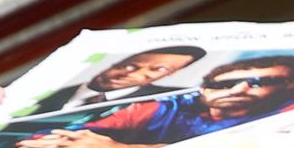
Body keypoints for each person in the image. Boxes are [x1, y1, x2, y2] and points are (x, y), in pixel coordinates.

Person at [8, 54, 294, 148]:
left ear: (292, 85)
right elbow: (47, 139)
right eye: (224, 84)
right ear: (203, 89)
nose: (240, 89)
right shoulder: (166, 106)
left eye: (259, 82)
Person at [32, 44, 206, 114]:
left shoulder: (175, 102)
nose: (131, 75)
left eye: (157, 69)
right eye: (129, 65)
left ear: (170, 74)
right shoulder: (42, 93)